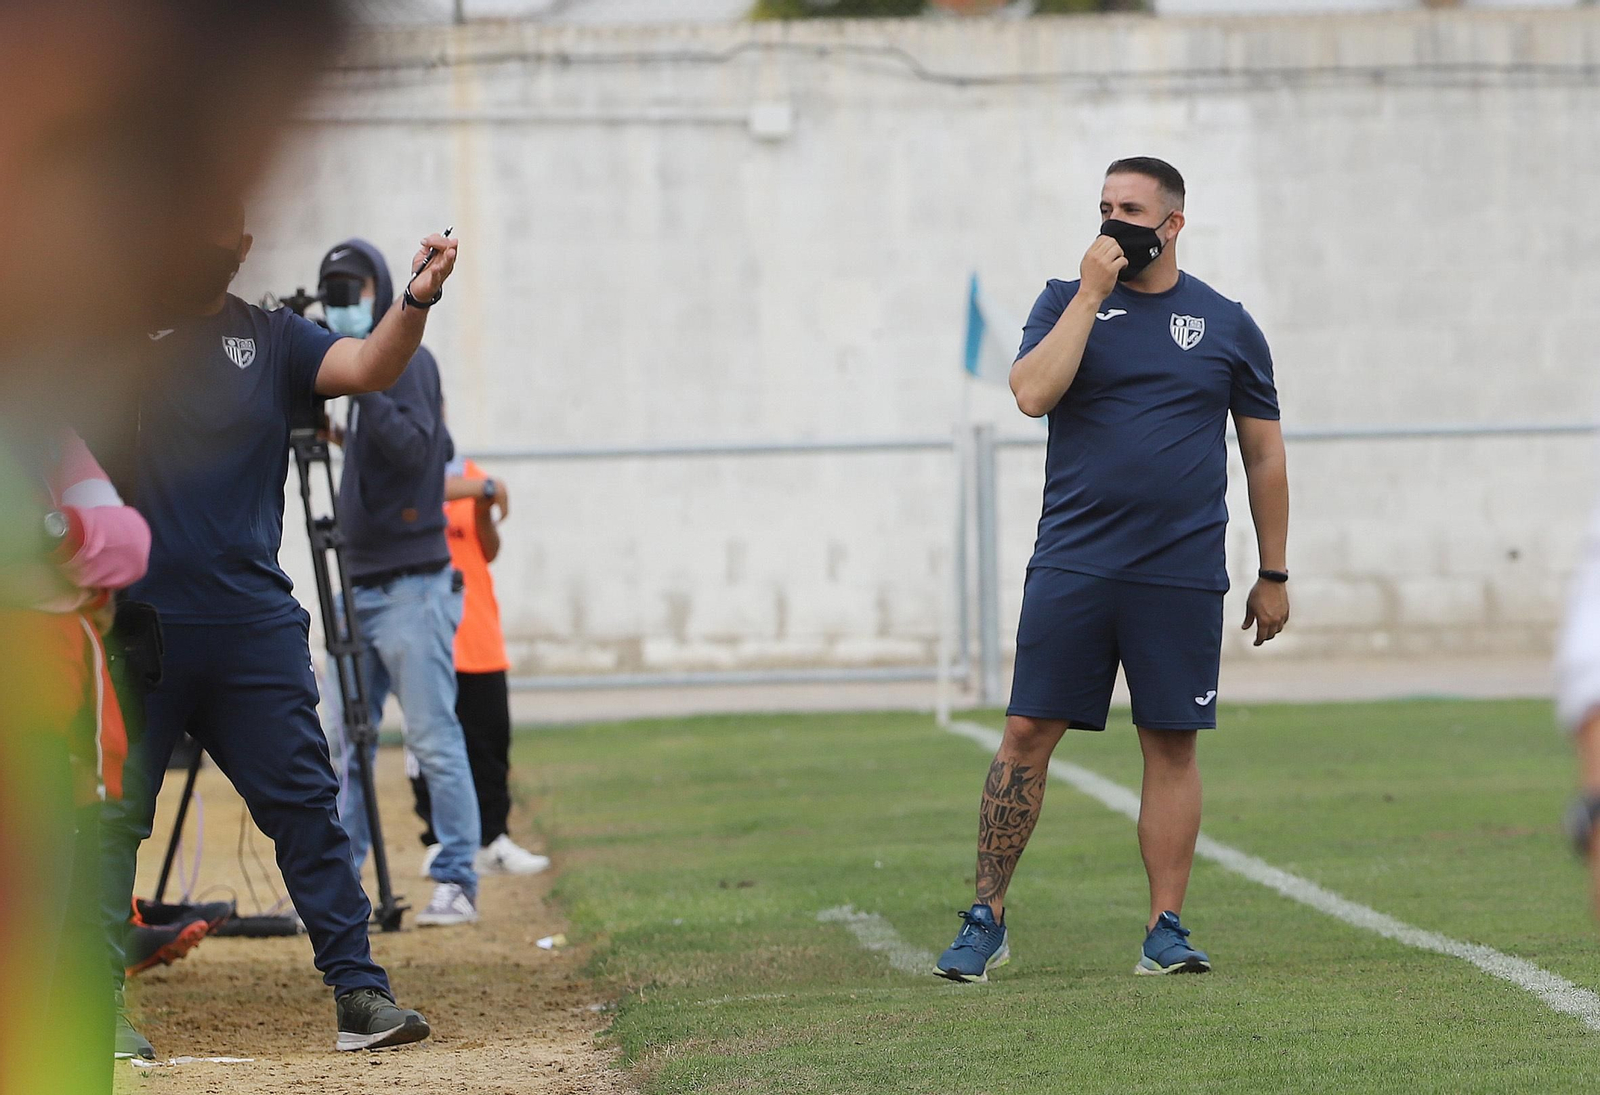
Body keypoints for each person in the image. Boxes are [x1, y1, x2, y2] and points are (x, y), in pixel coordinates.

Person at [96, 206, 461, 1057]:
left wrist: (414, 300)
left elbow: (370, 364)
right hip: (136, 626)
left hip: (253, 627)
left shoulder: (275, 340)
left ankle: (360, 995)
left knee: (307, 810)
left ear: (244, 248)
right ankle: (96, 1003)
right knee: (112, 822)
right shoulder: (109, 334)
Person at [934, 157, 1291, 982]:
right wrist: (1094, 296)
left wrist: (1274, 570)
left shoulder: (1227, 323)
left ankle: (1165, 926)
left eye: (1130, 208)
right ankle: (985, 917)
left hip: (1179, 573)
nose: (1112, 222)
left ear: (1172, 224)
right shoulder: (1065, 301)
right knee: (1027, 733)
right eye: (1103, 207)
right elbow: (1030, 394)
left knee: (1171, 742)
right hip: (1075, 563)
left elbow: (1264, 452)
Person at [317, 240, 483, 927]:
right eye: (334, 292)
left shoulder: (404, 363)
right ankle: (343, 879)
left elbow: (418, 448)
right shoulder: (361, 373)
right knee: (344, 743)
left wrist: (370, 383)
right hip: (360, 583)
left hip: (412, 587)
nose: (342, 304)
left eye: (353, 290)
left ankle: (457, 877)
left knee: (433, 737)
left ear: (379, 289)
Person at [409, 459, 550, 877]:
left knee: (491, 742)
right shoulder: (414, 469)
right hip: (428, 631)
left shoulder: (469, 474)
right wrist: (479, 487)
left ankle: (493, 840)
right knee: (431, 744)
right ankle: (439, 841)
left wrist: (483, 507)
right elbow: (419, 488)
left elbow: (486, 551)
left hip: (478, 629)